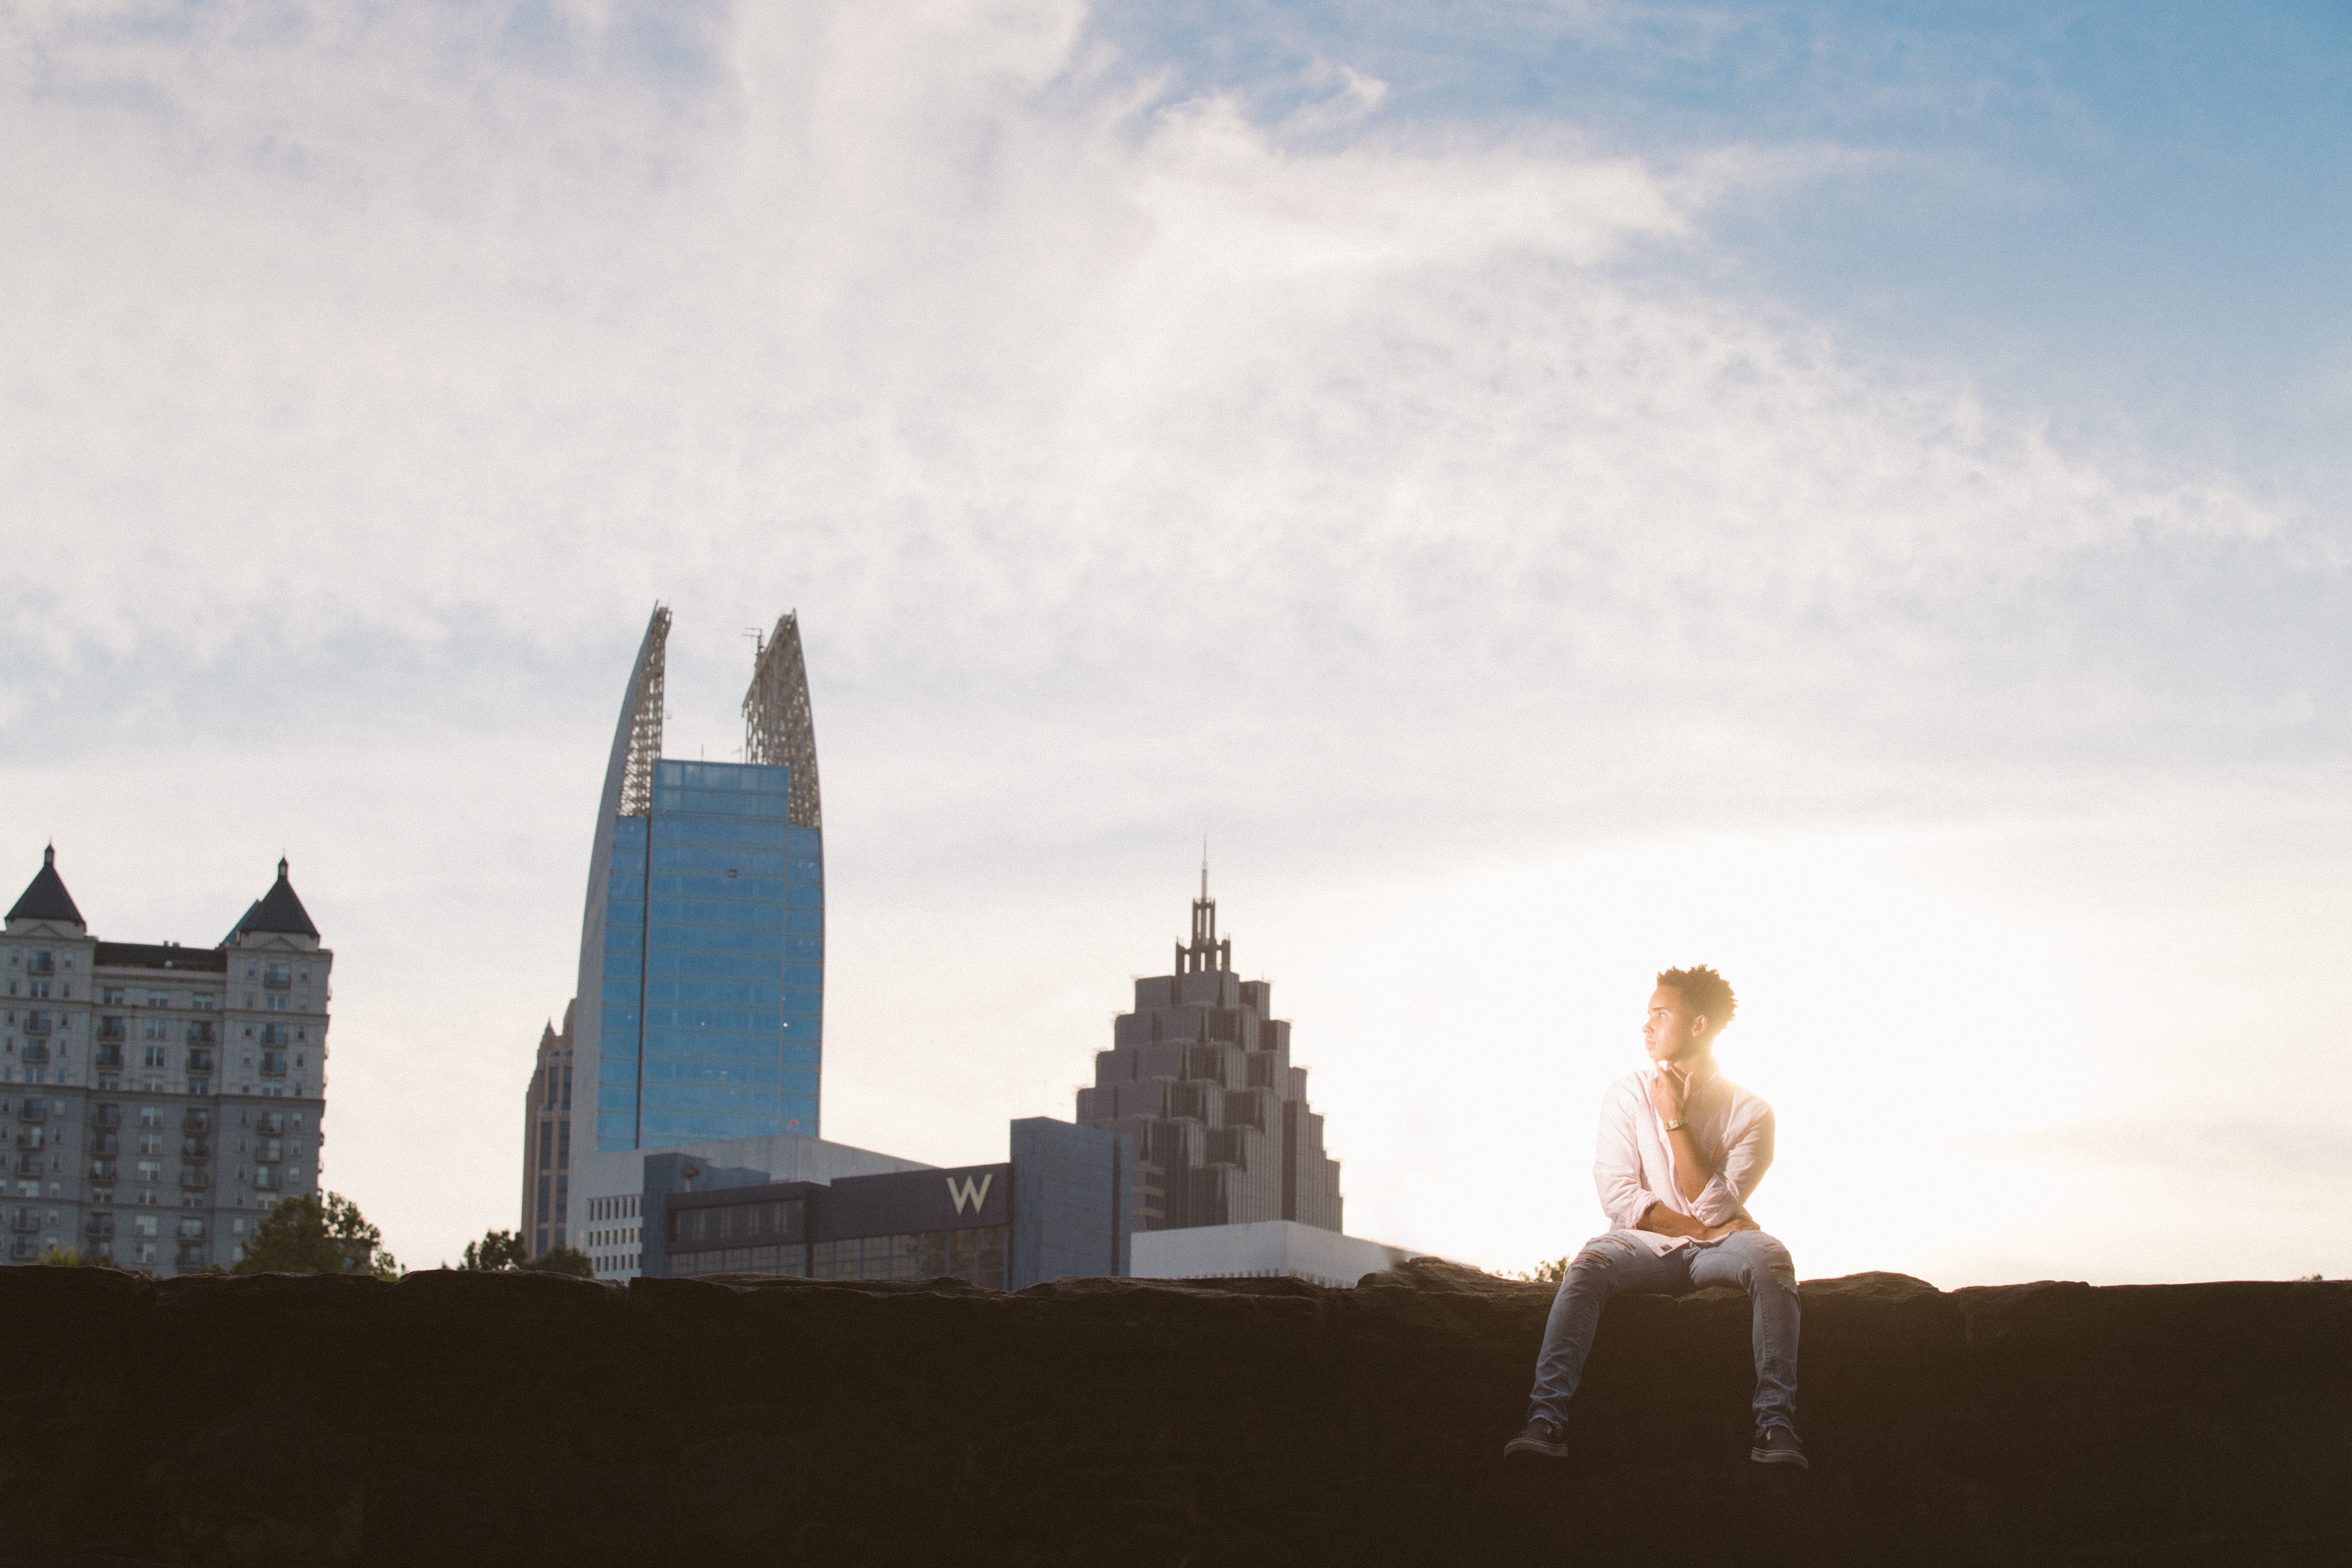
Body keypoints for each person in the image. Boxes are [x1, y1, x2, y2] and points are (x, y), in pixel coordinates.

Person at [1504, 965, 1806, 1468]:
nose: (1646, 1027)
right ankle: (1546, 1419)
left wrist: (1675, 1120)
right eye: (1647, 1015)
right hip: (1644, 1246)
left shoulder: (1753, 1112)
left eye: (1660, 1015)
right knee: (1589, 1265)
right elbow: (1619, 1197)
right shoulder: (1626, 1094)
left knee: (1771, 1257)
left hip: (1723, 1253)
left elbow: (1712, 1203)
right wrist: (1705, 1229)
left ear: (1699, 1026)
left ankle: (1776, 1426)